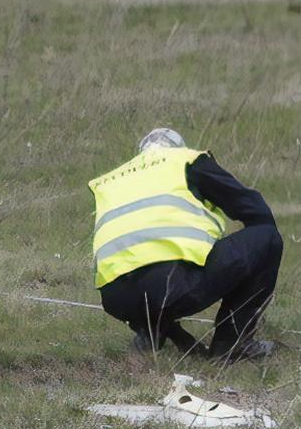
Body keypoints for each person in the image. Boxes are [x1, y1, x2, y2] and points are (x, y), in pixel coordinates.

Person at [89, 127, 282, 361]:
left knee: (153, 271)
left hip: (115, 298)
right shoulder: (186, 161)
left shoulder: (113, 180)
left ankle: (151, 330)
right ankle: (232, 345)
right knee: (267, 238)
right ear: (178, 148)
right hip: (169, 287)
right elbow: (256, 211)